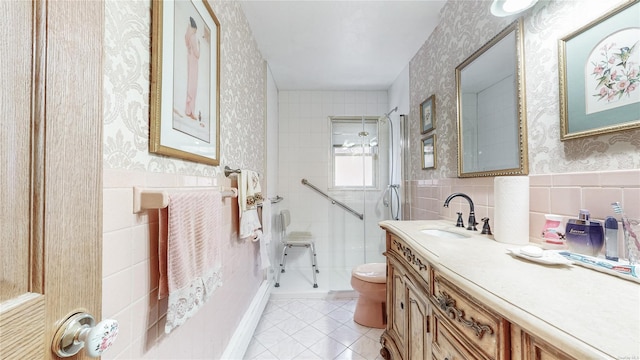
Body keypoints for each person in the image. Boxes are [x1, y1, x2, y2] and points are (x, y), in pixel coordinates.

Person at [184, 16, 200, 120]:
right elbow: (197, 54)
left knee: (190, 85)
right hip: (194, 64)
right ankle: (191, 111)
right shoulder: (194, 38)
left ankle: (188, 110)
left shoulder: (188, 37)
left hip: (190, 62)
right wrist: (199, 45)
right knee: (193, 87)